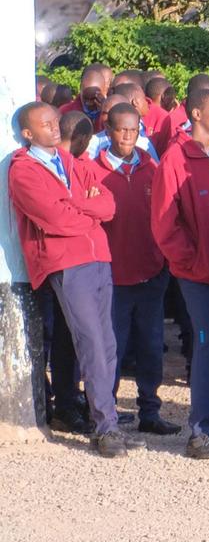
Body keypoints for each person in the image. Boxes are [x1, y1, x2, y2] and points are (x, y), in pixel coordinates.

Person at [9, 102, 124, 455]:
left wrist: (76, 204)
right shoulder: (23, 171)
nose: (54, 127)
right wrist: (86, 209)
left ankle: (103, 417)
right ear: (27, 133)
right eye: (45, 124)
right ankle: (106, 427)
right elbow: (56, 220)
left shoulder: (72, 162)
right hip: (66, 262)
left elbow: (109, 205)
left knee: (107, 344)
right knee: (91, 343)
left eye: (55, 121)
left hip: (98, 256)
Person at [150, 90, 209, 459]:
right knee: (207, 344)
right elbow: (164, 223)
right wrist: (189, 260)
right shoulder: (176, 159)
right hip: (197, 272)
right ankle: (199, 432)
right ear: (195, 113)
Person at [92, 103, 174, 437]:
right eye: (121, 129)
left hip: (150, 273)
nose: (128, 136)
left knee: (151, 346)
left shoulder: (152, 167)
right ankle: (107, 414)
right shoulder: (93, 171)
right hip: (112, 277)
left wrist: (163, 260)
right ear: (107, 131)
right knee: (112, 348)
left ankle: (150, 410)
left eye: (134, 130)